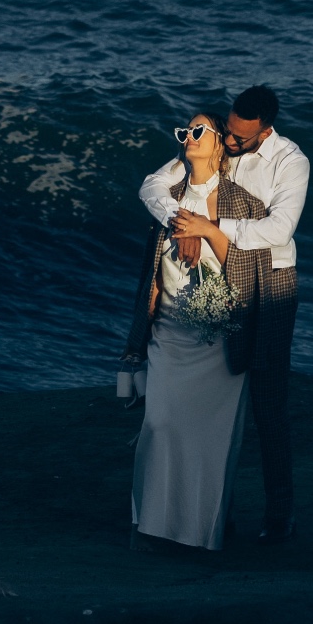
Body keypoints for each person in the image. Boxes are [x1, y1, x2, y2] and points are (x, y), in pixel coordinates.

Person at [137, 85, 309, 544]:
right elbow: (154, 185)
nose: (231, 142)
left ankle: (279, 516)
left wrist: (211, 228)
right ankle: (214, 513)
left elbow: (279, 229)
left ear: (264, 131)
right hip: (216, 271)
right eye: (227, 132)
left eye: (240, 137)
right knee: (218, 404)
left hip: (270, 281)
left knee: (267, 404)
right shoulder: (218, 146)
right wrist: (181, 219)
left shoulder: (290, 161)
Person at [121, 111, 268, 551]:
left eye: (198, 130)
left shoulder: (244, 203)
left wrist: (204, 230)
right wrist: (179, 219)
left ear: (220, 142)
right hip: (168, 335)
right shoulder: (165, 198)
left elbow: (250, 268)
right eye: (184, 131)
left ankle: (203, 534)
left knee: (211, 441)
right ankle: (151, 525)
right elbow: (154, 266)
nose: (189, 136)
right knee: (161, 426)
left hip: (219, 340)